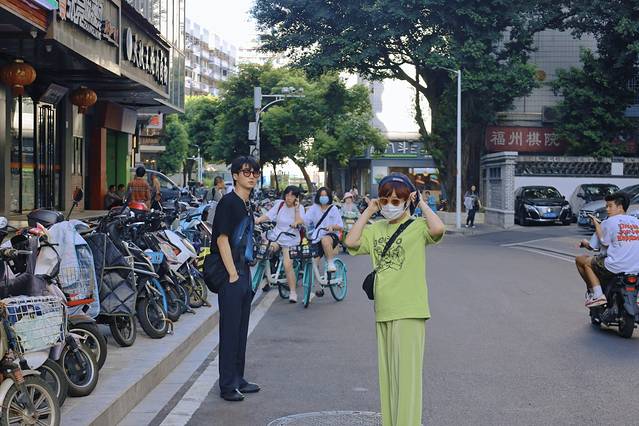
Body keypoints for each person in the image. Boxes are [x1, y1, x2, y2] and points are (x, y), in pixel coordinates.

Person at [344, 173, 445, 426]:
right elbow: (351, 242)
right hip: (383, 310)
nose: (390, 205)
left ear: (407, 200)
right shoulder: (375, 229)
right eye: (385, 200)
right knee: (389, 378)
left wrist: (421, 204)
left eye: (396, 200)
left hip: (410, 310)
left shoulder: (418, 227)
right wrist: (369, 210)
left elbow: (438, 229)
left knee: (407, 379)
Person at [210, 156, 262, 402]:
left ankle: (238, 378)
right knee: (230, 331)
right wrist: (232, 273)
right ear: (235, 175)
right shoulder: (228, 203)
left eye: (255, 173)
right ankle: (227, 385)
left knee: (241, 330)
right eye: (246, 172)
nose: (251, 176)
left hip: (244, 271)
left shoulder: (245, 203)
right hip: (231, 274)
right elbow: (222, 239)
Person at [575, 192, 639, 308]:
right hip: (636, 268)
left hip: (616, 266)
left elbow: (595, 245)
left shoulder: (608, 222)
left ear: (620, 207)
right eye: (606, 206)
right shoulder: (636, 222)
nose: (607, 209)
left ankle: (597, 295)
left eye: (610, 206)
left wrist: (595, 227)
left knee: (584, 261)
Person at [255, 185, 305, 302]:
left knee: (287, 265)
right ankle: (266, 277)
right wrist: (257, 220)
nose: (288, 198)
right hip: (277, 236)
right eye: (287, 195)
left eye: (292, 196)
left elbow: (300, 221)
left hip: (290, 239)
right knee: (264, 250)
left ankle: (292, 292)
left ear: (296, 197)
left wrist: (297, 211)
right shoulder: (280, 204)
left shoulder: (300, 208)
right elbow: (269, 215)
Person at [304, 187, 343, 292]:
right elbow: (306, 220)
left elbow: (340, 226)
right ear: (318, 197)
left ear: (329, 197)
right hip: (317, 237)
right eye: (321, 196)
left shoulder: (333, 209)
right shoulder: (314, 208)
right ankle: (318, 286)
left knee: (325, 240)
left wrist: (332, 227)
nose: (323, 198)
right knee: (314, 261)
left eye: (325, 196)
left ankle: (330, 263)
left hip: (331, 236)